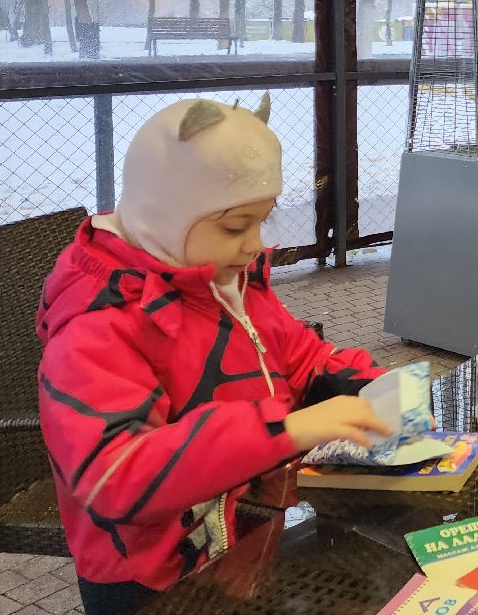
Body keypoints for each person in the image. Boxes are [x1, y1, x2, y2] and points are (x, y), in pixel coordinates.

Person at [37, 97, 392, 614]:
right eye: (233, 227)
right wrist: (284, 430)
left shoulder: (223, 282)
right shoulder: (99, 326)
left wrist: (367, 385)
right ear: (165, 214)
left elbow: (295, 354)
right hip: (152, 579)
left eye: (261, 221)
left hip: (242, 543)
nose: (253, 244)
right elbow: (116, 475)